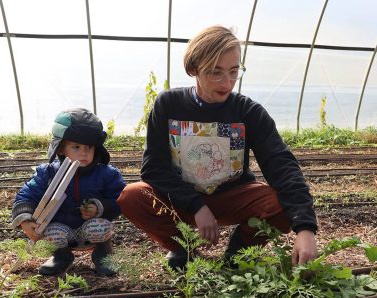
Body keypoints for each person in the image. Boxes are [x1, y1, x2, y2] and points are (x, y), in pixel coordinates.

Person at [117, 26, 318, 270]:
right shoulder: (169, 105)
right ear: (194, 69)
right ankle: (182, 249)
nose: (227, 82)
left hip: (230, 197)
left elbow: (281, 164)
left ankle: (239, 253)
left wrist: (305, 228)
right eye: (216, 72)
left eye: (234, 71)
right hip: (180, 199)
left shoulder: (248, 112)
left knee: (282, 205)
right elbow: (154, 169)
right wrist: (196, 206)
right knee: (132, 197)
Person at [11, 108, 126, 276]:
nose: (84, 152)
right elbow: (27, 195)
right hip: (61, 231)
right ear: (60, 149)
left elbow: (119, 199)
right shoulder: (48, 173)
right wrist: (25, 220)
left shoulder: (107, 174)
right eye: (76, 147)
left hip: (91, 230)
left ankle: (103, 256)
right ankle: (61, 257)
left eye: (89, 147)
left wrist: (99, 207)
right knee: (50, 232)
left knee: (100, 227)